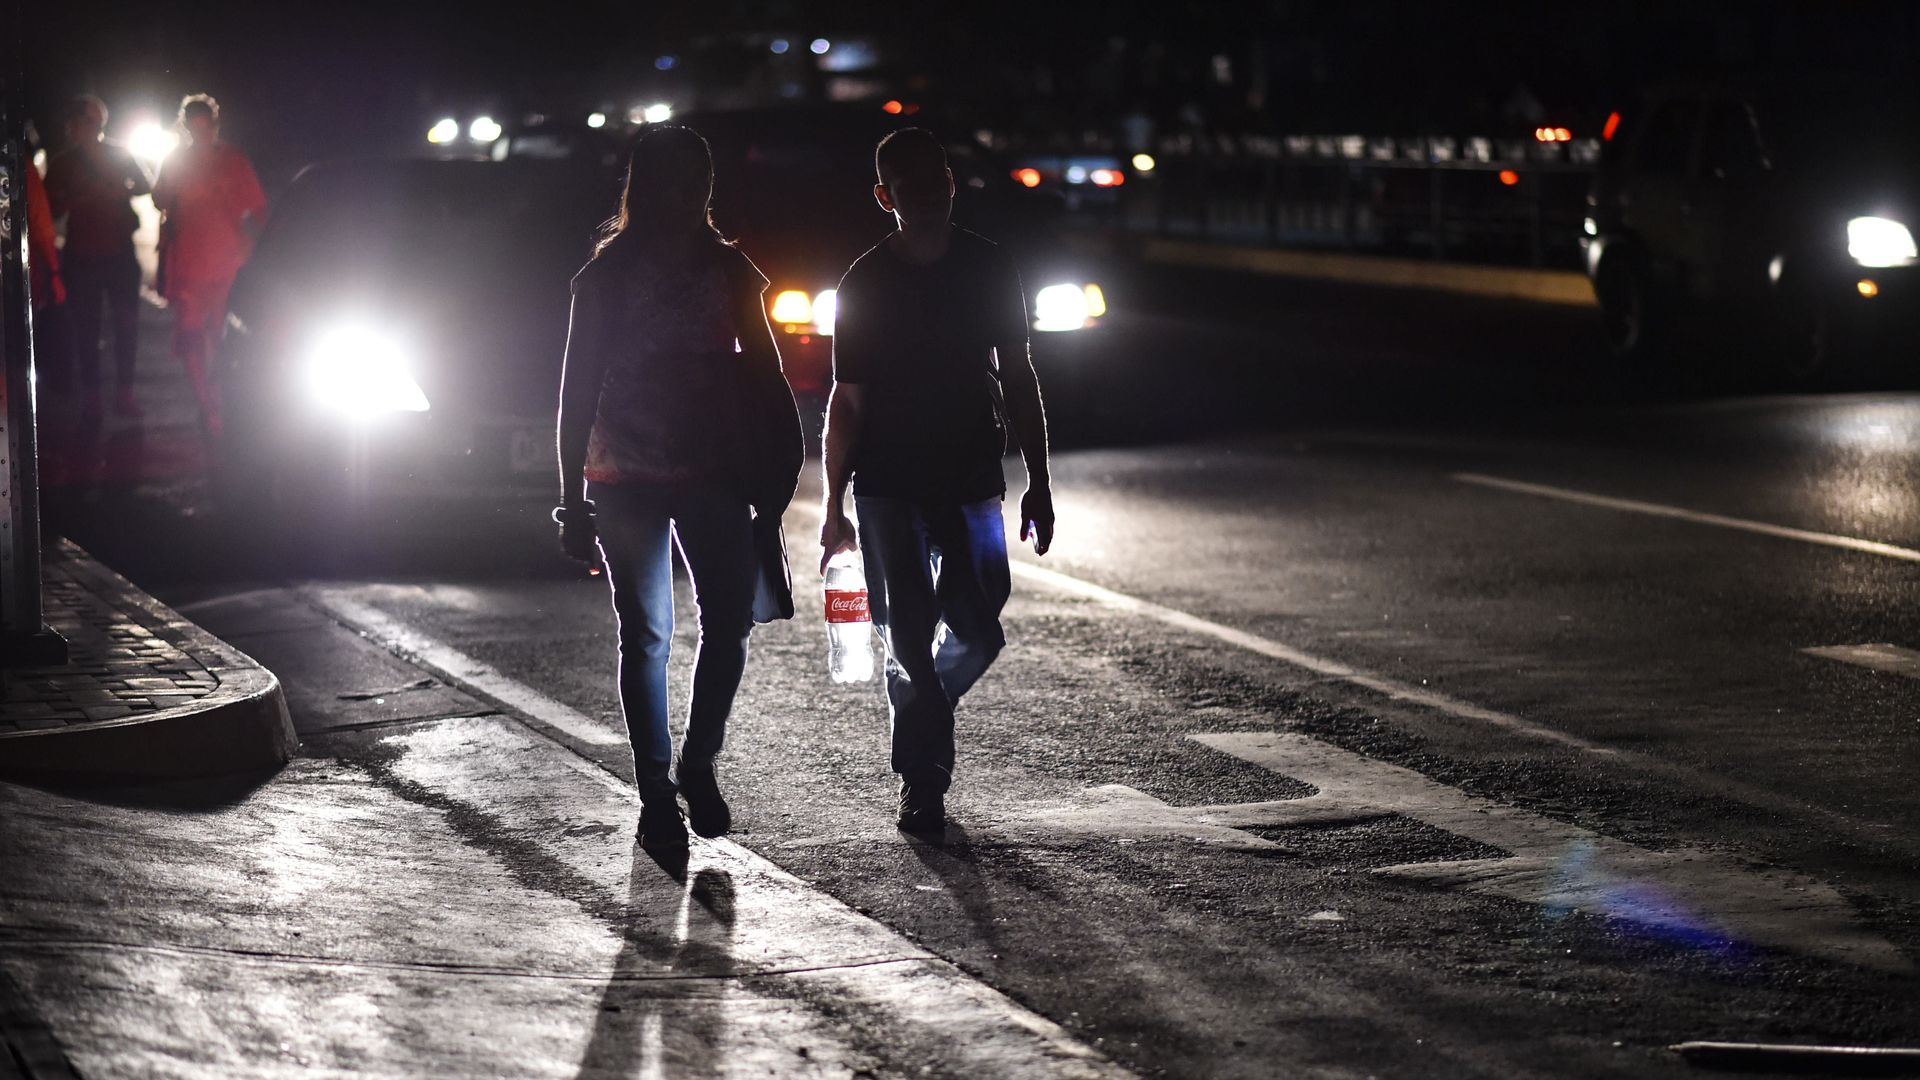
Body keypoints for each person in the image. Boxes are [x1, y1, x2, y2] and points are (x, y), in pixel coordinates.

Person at [556, 126, 802, 850]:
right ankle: (655, 785)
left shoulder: (730, 271)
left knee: (729, 623)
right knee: (647, 635)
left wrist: (781, 470)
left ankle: (699, 762)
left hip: (714, 469)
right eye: (675, 179)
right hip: (625, 474)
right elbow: (575, 395)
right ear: (644, 186)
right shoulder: (603, 277)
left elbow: (767, 374)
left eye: (700, 180)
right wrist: (570, 500)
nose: (690, 195)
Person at [818, 128, 1056, 833]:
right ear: (884, 197)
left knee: (982, 629)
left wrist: (1039, 478)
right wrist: (832, 506)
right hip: (888, 482)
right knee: (909, 633)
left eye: (934, 183)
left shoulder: (988, 266)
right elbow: (847, 401)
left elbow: (1019, 374)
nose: (924, 197)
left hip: (971, 475)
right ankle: (922, 781)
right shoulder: (864, 280)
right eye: (908, 187)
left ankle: (922, 706)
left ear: (951, 185)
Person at [152, 94, 268, 439]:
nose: (201, 133)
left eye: (206, 126)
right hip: (189, 263)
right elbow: (160, 198)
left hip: (227, 264)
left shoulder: (234, 160)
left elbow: (259, 210)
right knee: (191, 334)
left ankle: (218, 399)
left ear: (215, 125)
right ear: (187, 127)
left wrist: (265, 247)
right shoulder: (178, 160)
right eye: (195, 127)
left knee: (219, 335)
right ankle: (208, 402)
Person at [44, 95, 149, 419]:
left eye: (80, 121)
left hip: (118, 253)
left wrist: (119, 190)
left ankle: (124, 395)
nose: (74, 128)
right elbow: (48, 208)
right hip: (83, 255)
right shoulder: (62, 163)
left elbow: (144, 184)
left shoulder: (118, 154)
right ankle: (93, 397)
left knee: (125, 327)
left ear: (94, 124)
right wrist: (78, 197)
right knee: (86, 330)